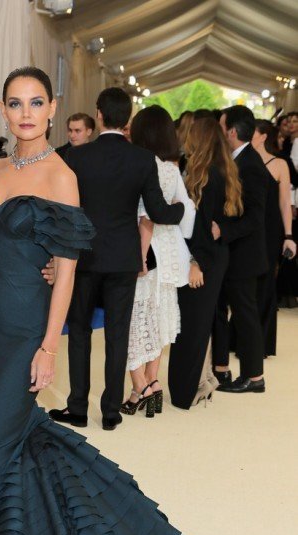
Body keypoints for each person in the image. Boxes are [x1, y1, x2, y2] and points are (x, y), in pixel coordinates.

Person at [0, 66, 288, 535]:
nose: (25, 113)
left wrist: (49, 345)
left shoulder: (62, 175)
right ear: (3, 107)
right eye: (15, 103)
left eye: (36, 103)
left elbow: (69, 269)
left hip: (24, 329)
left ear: (53, 110)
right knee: (8, 446)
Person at [49, 87, 185, 431]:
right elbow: (158, 212)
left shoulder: (76, 156)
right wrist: (180, 208)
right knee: (117, 334)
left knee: (79, 331)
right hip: (124, 258)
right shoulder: (142, 159)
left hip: (84, 255)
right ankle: (110, 412)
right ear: (127, 119)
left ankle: (78, 407)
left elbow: (62, 210)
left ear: (98, 114)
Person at [122, 106, 195, 417]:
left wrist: (138, 256)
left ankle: (140, 387)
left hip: (145, 252)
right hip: (170, 255)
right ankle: (152, 382)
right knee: (159, 320)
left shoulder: (137, 165)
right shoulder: (170, 169)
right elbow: (187, 214)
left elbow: (144, 218)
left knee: (135, 320)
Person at [168, 118, 243, 408]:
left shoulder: (208, 174)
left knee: (190, 327)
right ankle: (201, 383)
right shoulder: (223, 169)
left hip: (203, 258)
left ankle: (185, 393)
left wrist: (196, 262)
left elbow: (203, 225)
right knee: (198, 324)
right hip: (214, 256)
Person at [213, 106, 269, 394]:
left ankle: (254, 376)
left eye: (221, 127)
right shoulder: (239, 159)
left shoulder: (250, 164)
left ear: (232, 132)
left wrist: (224, 230)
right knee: (228, 312)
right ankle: (222, 369)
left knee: (245, 315)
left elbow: (255, 217)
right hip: (233, 253)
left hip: (244, 256)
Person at [252, 120, 295, 355]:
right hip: (247, 229)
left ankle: (262, 342)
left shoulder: (280, 164)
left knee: (266, 281)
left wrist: (289, 235)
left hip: (270, 231)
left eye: (253, 132)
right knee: (245, 284)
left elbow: (285, 203)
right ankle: (241, 336)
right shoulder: (241, 161)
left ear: (263, 136)